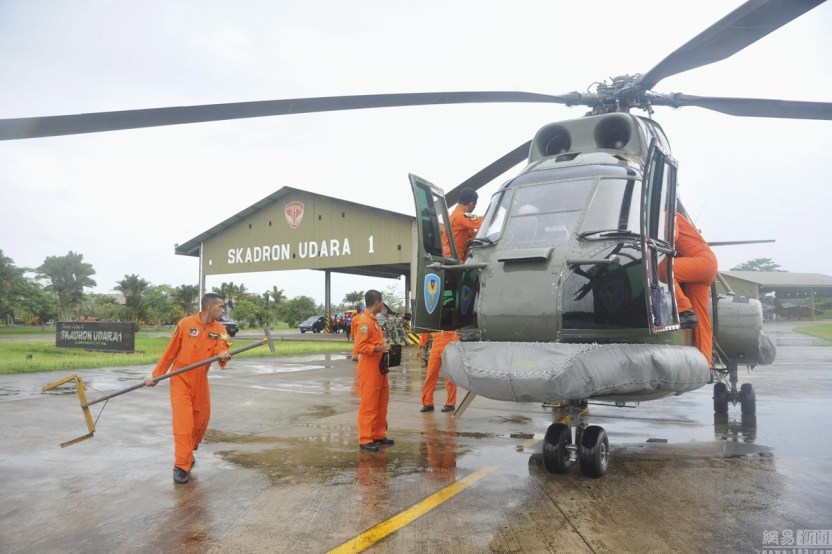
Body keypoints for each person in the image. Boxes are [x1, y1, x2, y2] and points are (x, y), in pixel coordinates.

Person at [144, 292, 232, 484]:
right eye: (221, 306)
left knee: (200, 422)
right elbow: (171, 351)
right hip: (180, 378)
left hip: (201, 379)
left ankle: (187, 452)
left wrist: (223, 354)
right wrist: (156, 375)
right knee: (183, 424)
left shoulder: (220, 328)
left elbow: (221, 348)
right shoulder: (185, 324)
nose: (223, 310)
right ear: (209, 307)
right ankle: (181, 466)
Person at [659, 211, 718, 364]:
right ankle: (706, 364)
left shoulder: (666, 213)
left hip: (702, 261)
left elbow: (671, 236)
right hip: (707, 265)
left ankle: (684, 310)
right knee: (701, 320)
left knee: (664, 269)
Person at [354, 290, 392, 452]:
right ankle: (365, 438)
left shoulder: (373, 321)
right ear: (377, 302)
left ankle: (377, 434)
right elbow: (360, 347)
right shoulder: (364, 322)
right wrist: (379, 348)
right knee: (369, 403)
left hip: (379, 366)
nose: (383, 304)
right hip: (369, 367)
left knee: (382, 401)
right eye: (382, 301)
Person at [418, 330, 458, 413]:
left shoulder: (451, 317)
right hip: (435, 346)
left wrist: (455, 344)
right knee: (430, 375)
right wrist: (421, 347)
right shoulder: (433, 317)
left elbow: (457, 330)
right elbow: (426, 331)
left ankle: (450, 403)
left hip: (449, 345)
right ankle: (428, 403)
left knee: (449, 377)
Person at [444, 188, 482, 260]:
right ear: (471, 204)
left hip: (452, 258)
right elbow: (480, 221)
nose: (474, 208)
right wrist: (494, 214)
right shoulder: (461, 216)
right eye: (475, 205)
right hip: (451, 259)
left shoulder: (456, 215)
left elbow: (474, 236)